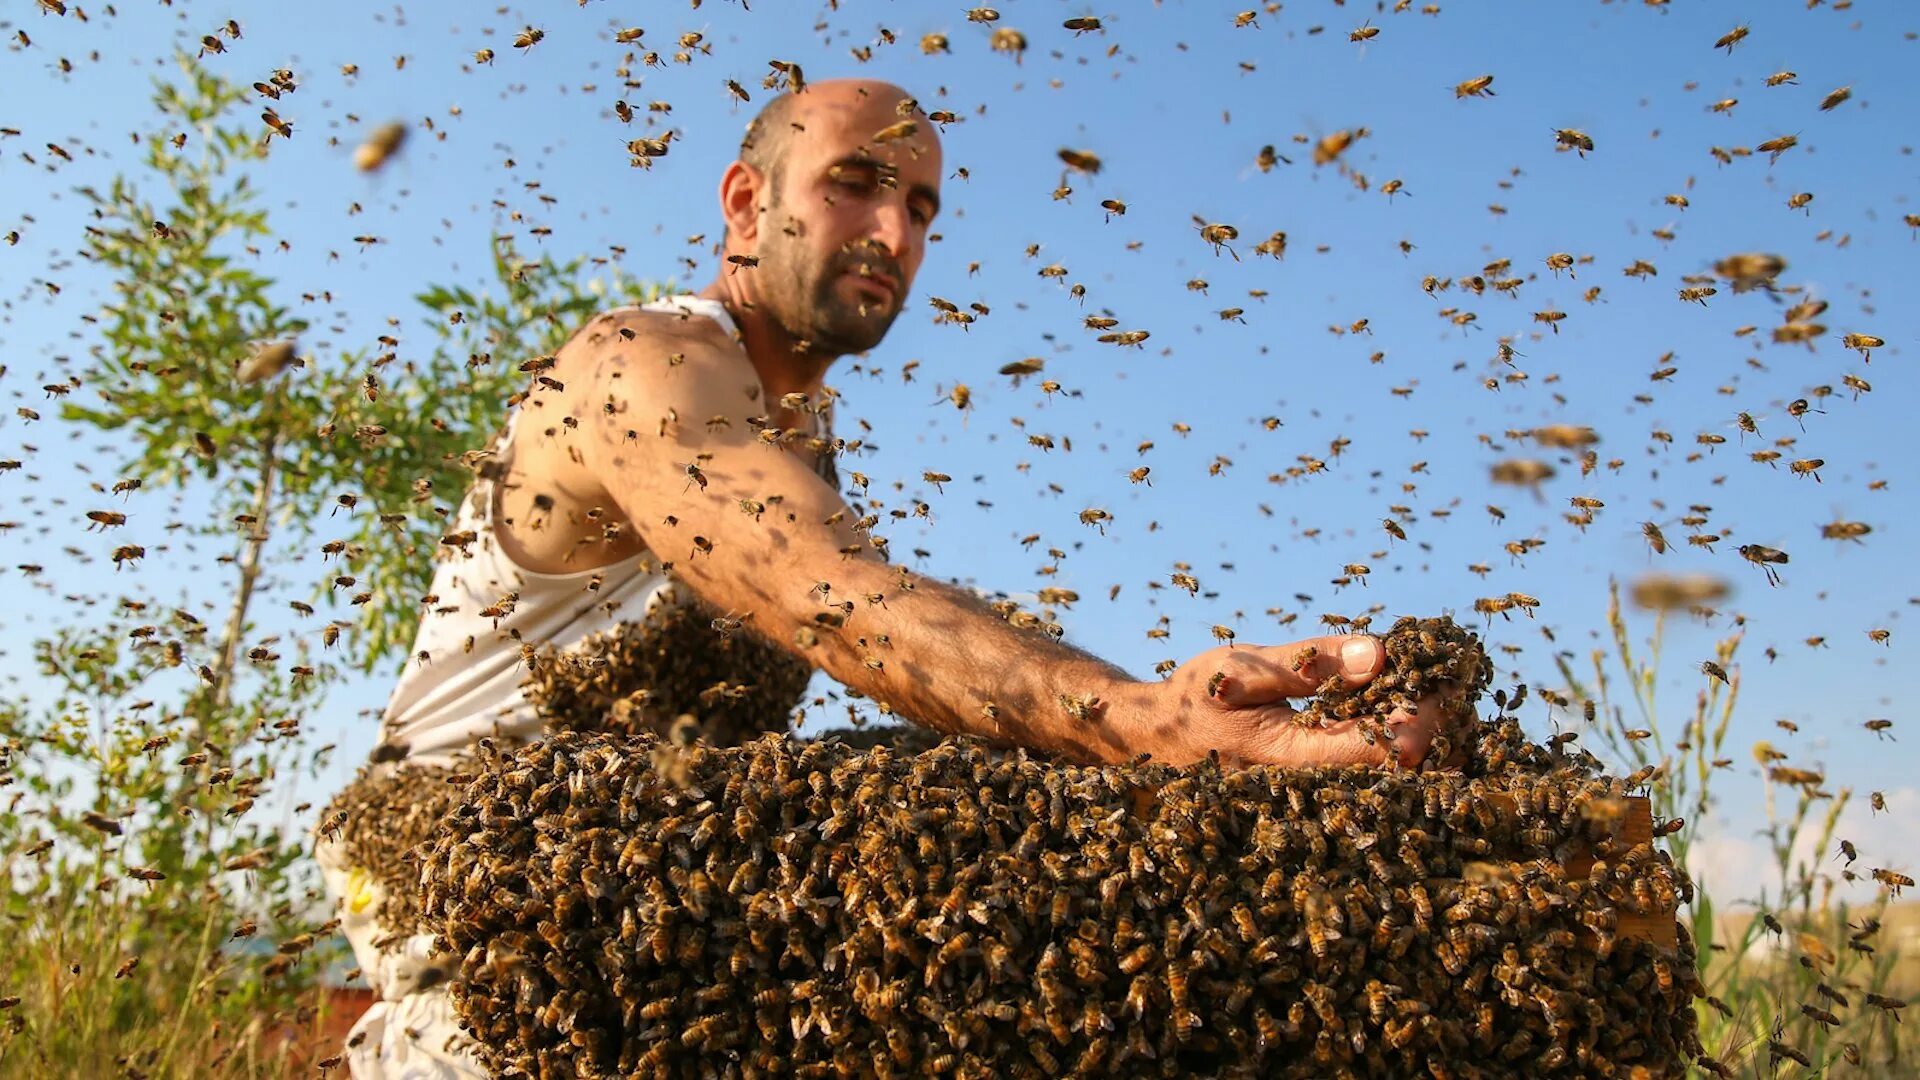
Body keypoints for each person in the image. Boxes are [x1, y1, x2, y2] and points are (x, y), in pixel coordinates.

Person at [316, 78, 1448, 1078]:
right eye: (856, 183)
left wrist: (1209, 734)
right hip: (464, 885)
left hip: (655, 899)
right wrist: (1141, 720)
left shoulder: (800, 433)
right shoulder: (641, 366)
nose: (892, 230)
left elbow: (885, 603)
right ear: (747, 205)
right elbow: (828, 589)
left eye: (920, 207)